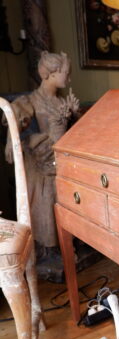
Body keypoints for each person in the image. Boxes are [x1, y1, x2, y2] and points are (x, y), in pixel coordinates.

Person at [5, 51, 80, 262]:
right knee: (48, 189)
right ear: (50, 74)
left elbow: (72, 131)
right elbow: (14, 116)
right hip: (41, 158)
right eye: (66, 73)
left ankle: (70, 239)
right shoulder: (31, 100)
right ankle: (49, 246)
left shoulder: (61, 102)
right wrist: (12, 140)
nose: (69, 78)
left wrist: (73, 115)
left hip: (60, 155)